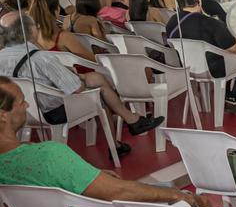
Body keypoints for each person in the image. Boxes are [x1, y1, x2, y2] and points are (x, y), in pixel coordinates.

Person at [0, 76, 210, 207]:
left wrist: (94, 176)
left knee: (170, 194)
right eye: (21, 102)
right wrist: (176, 195)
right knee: (189, 201)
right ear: (3, 115)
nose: (27, 105)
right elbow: (119, 191)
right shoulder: (48, 154)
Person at [0, 13, 161, 150]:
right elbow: (76, 88)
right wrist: (79, 77)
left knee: (96, 80)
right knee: (99, 95)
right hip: (52, 111)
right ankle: (116, 145)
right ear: (29, 30)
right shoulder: (41, 57)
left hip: (21, 112)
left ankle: (131, 121)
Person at [165, 0, 236, 115]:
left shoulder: (172, 22)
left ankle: (226, 96)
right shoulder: (210, 23)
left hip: (187, 68)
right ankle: (231, 96)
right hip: (213, 69)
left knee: (221, 53)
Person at [31, 0, 97, 69]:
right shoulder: (64, 37)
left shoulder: (32, 37)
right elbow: (93, 61)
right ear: (56, 11)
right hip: (77, 75)